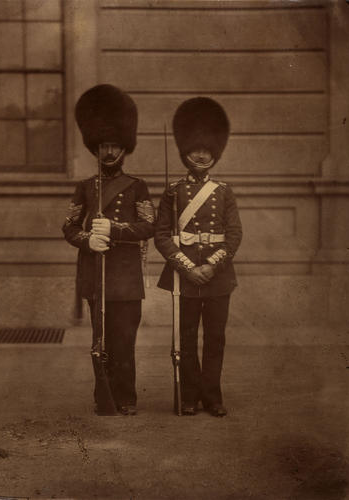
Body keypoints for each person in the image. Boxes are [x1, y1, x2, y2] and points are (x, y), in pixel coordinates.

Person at [62, 84, 155, 416]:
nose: (110, 152)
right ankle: (104, 397)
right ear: (96, 149)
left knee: (125, 341)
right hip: (96, 274)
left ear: (125, 149)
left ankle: (126, 397)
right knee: (100, 340)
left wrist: (115, 230)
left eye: (116, 145)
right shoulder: (85, 187)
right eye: (104, 146)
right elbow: (69, 227)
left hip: (126, 276)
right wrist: (87, 239)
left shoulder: (137, 186)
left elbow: (149, 227)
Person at [154, 97, 242, 417]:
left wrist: (211, 265)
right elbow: (162, 235)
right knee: (187, 338)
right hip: (185, 276)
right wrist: (189, 267)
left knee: (215, 338)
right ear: (185, 153)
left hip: (218, 276)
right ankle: (189, 395)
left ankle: (212, 397)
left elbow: (234, 235)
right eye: (195, 149)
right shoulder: (172, 192)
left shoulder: (224, 191)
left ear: (214, 153)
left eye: (207, 149)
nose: (201, 154)